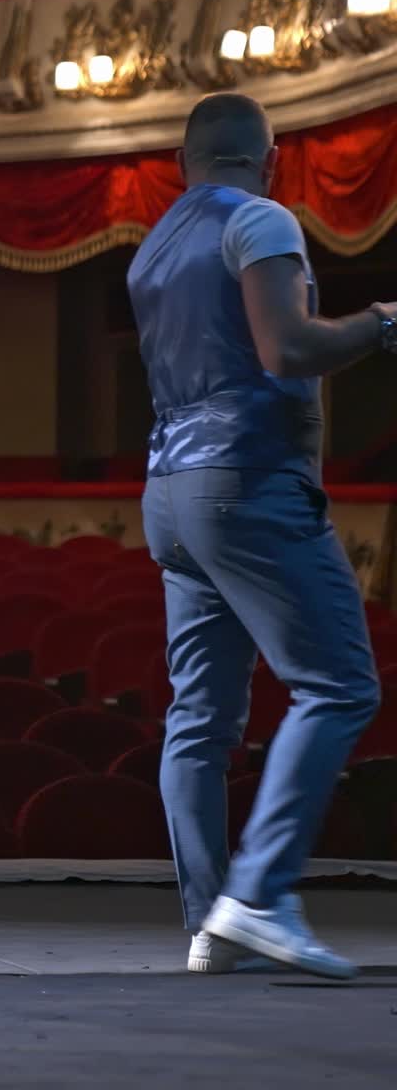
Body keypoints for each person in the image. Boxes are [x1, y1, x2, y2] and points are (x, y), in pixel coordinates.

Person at [126, 92, 388, 980]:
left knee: (198, 720)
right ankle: (261, 897)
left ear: (182, 162)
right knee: (340, 684)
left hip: (170, 491)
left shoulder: (156, 246)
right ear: (269, 161)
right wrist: (383, 325)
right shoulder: (261, 218)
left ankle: (210, 922)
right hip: (246, 477)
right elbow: (288, 351)